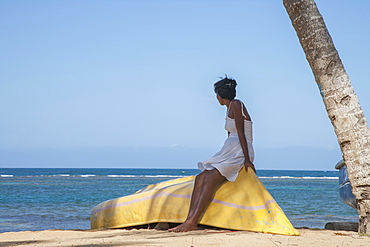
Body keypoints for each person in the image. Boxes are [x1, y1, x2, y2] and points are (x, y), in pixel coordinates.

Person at [169, 76, 255, 232]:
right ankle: (189, 220)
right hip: (229, 150)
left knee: (209, 180)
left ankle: (192, 223)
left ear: (220, 95)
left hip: (239, 152)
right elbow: (232, 135)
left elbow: (241, 133)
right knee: (200, 177)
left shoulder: (236, 104)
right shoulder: (229, 108)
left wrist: (247, 160)